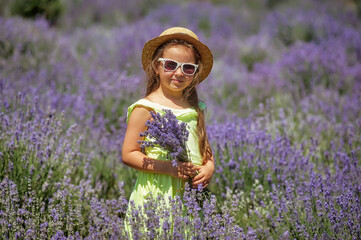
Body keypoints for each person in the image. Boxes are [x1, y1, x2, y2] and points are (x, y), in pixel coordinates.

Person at [122, 26, 215, 219]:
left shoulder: (194, 108)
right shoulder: (146, 108)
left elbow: (204, 147)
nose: (179, 73)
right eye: (170, 65)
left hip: (189, 196)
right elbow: (129, 154)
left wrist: (209, 167)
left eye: (188, 68)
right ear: (157, 66)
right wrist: (170, 169)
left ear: (195, 72)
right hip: (157, 193)